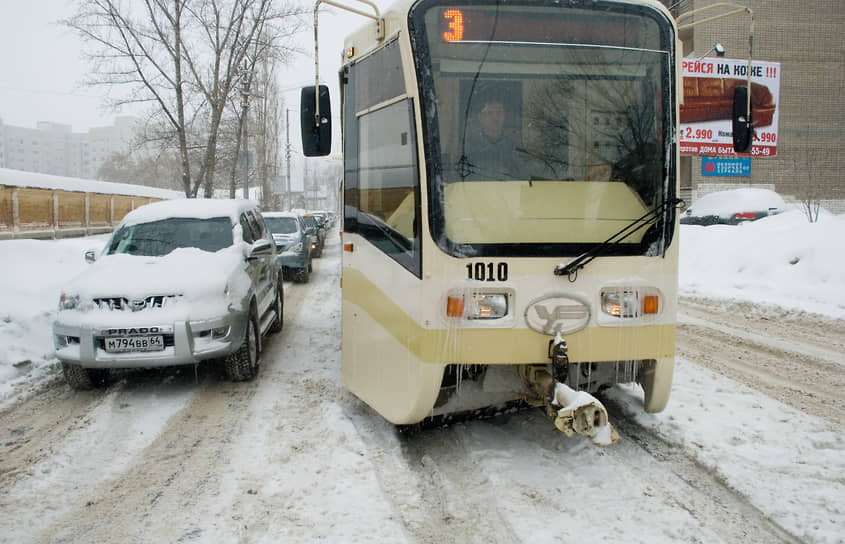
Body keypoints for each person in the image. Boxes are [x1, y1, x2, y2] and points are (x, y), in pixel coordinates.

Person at [458, 87, 525, 180]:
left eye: (499, 113)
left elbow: (524, 177)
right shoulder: (468, 148)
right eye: (489, 113)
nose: (495, 118)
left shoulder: (514, 147)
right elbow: (460, 177)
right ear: (480, 117)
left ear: (504, 116)